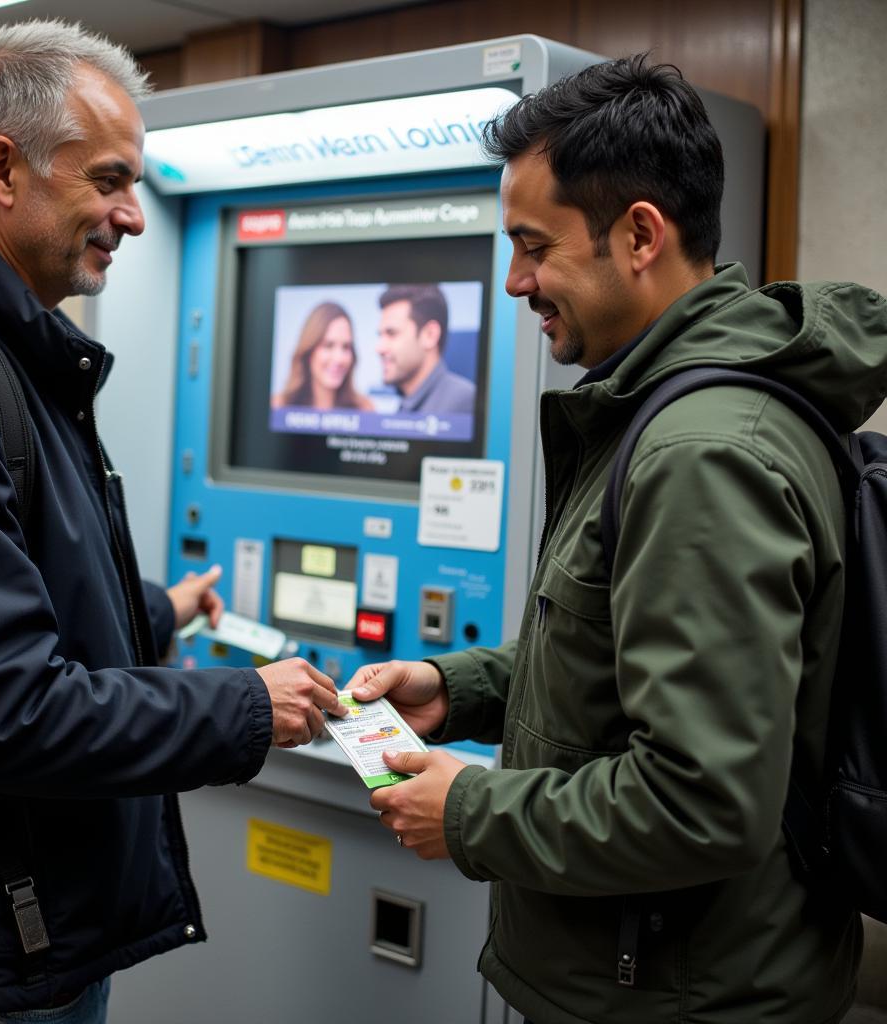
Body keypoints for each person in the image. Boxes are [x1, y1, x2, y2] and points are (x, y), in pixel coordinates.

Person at [349, 55, 886, 1023]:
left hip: (679, 994)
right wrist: (459, 688)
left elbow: (700, 801)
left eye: (533, 246)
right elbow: (617, 660)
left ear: (639, 234)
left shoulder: (702, 450)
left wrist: (468, 811)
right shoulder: (661, 408)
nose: (515, 282)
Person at [0, 19, 344, 1020]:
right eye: (110, 180)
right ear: (3, 170)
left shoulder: (13, 354)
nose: (133, 216)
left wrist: (161, 609)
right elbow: (2, 707)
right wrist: (247, 707)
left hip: (31, 927)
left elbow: (20, 593)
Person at [376, 283, 475, 414]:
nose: (379, 348)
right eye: (380, 335)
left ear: (430, 335)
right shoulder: (405, 405)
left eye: (392, 333)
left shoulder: (464, 402)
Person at [272, 300, 374, 410]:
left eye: (346, 347)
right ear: (309, 351)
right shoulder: (278, 405)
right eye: (328, 346)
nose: (339, 359)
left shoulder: (365, 409)